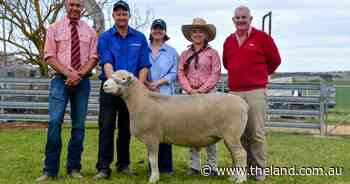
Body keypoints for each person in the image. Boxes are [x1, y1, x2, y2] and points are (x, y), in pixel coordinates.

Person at [36, 0, 98, 182]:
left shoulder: (90, 31)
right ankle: (50, 170)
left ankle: (74, 168)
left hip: (82, 82)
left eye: (78, 5)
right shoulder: (53, 28)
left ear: (83, 7)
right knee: (55, 122)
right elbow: (48, 55)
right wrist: (68, 73)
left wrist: (78, 74)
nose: (75, 8)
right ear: (65, 5)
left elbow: (94, 58)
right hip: (58, 81)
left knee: (78, 126)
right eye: (71, 4)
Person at [94, 0, 151, 180]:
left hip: (132, 93)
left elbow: (144, 65)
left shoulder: (139, 37)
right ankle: (103, 168)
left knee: (127, 129)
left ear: (128, 15)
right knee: (106, 128)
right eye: (117, 13)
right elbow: (107, 63)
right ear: (113, 16)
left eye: (124, 13)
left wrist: (139, 86)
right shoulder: (105, 37)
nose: (121, 16)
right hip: (111, 89)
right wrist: (115, 84)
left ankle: (123, 165)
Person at [222, 5, 281, 181]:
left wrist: (260, 75)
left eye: (244, 17)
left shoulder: (262, 38)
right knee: (237, 134)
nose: (240, 20)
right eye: (237, 18)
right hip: (234, 93)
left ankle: (259, 168)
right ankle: (241, 168)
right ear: (233, 20)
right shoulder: (229, 41)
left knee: (256, 132)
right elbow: (227, 63)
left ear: (250, 19)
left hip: (255, 92)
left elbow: (275, 61)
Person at [178, 18, 221, 175]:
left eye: (200, 31)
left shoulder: (213, 54)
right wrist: (190, 90)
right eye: (194, 31)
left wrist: (202, 90)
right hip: (189, 95)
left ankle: (211, 166)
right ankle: (194, 165)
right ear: (190, 34)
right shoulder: (184, 54)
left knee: (211, 129)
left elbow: (215, 74)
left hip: (208, 96)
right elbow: (181, 73)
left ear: (206, 34)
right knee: (192, 129)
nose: (197, 34)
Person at [147, 18, 178, 173]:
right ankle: (152, 166)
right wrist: (148, 84)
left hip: (165, 95)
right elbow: (141, 67)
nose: (158, 31)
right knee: (151, 130)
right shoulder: (143, 49)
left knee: (166, 128)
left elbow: (174, 73)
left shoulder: (171, 52)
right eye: (155, 28)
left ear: (165, 32)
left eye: (161, 28)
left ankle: (166, 166)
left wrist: (158, 83)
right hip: (148, 95)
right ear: (151, 30)